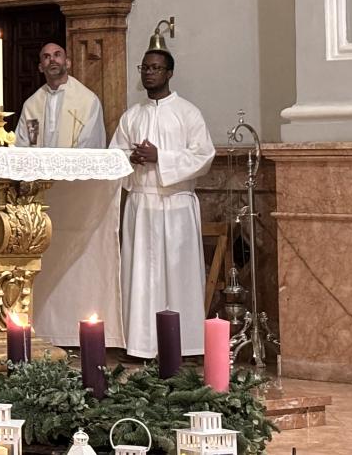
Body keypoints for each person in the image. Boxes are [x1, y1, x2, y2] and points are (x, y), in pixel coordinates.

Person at [109, 48, 215, 358]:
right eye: (145, 67)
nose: (149, 73)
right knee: (141, 275)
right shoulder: (132, 116)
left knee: (179, 275)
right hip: (142, 204)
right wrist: (131, 158)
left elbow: (204, 156)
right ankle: (141, 344)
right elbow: (114, 156)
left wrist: (161, 158)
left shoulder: (187, 112)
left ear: (169, 73)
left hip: (177, 204)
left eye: (156, 68)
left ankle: (187, 345)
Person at [15, 41, 105, 148]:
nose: (52, 59)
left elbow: (91, 144)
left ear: (67, 63)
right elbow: (23, 145)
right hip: (39, 163)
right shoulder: (31, 105)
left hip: (74, 163)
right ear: (40, 67)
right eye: (46, 57)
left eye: (57, 55)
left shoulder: (88, 101)